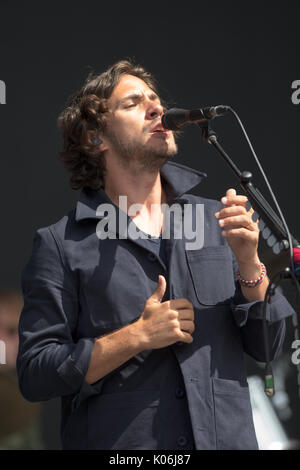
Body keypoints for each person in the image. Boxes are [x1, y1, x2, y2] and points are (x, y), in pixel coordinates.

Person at [17, 59, 295, 450]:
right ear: (96, 138)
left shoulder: (216, 219)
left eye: (155, 99)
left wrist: (251, 264)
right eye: (133, 103)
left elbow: (270, 344)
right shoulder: (61, 243)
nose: (156, 108)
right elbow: (35, 373)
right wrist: (135, 337)